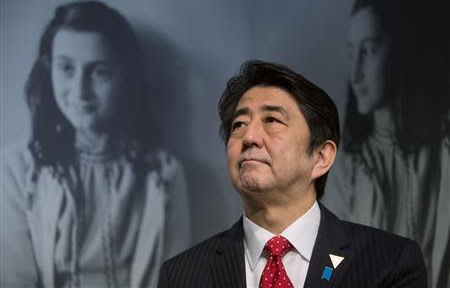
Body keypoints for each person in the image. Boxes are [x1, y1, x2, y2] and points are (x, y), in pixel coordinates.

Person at [157, 60, 427, 288]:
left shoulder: (390, 262)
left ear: (321, 157)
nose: (249, 136)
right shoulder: (183, 275)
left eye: (272, 120)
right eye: (239, 124)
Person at [1, 0, 191, 288]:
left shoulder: (163, 175)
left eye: (98, 71)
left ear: (124, 78)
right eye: (66, 69)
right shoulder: (16, 169)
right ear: (49, 70)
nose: (80, 91)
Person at [321, 0, 449, 286]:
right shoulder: (344, 164)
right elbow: (330, 260)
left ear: (401, 51)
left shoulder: (442, 151)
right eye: (352, 52)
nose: (355, 73)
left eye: (369, 50)